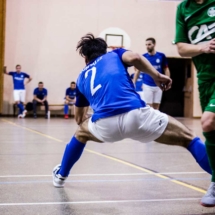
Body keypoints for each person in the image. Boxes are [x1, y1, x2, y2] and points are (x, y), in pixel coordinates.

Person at [52, 34, 211, 190]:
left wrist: (93, 120)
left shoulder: (80, 78)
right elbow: (135, 57)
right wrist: (156, 75)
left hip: (105, 126)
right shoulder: (115, 54)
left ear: (85, 59)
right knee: (189, 139)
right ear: (105, 50)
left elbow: (79, 119)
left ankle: (61, 176)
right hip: (136, 116)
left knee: (80, 134)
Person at [174, 0, 215, 207]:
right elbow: (181, 48)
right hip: (205, 77)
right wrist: (203, 47)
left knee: (208, 121)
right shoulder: (183, 8)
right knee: (211, 131)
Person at [134, 38, 170, 110]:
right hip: (147, 85)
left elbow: (166, 69)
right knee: (149, 107)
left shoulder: (161, 56)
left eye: (149, 44)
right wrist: (134, 82)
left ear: (154, 44)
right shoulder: (143, 56)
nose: (147, 46)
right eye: (146, 45)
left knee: (156, 107)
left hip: (158, 85)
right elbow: (137, 71)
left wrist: (167, 80)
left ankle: (156, 121)